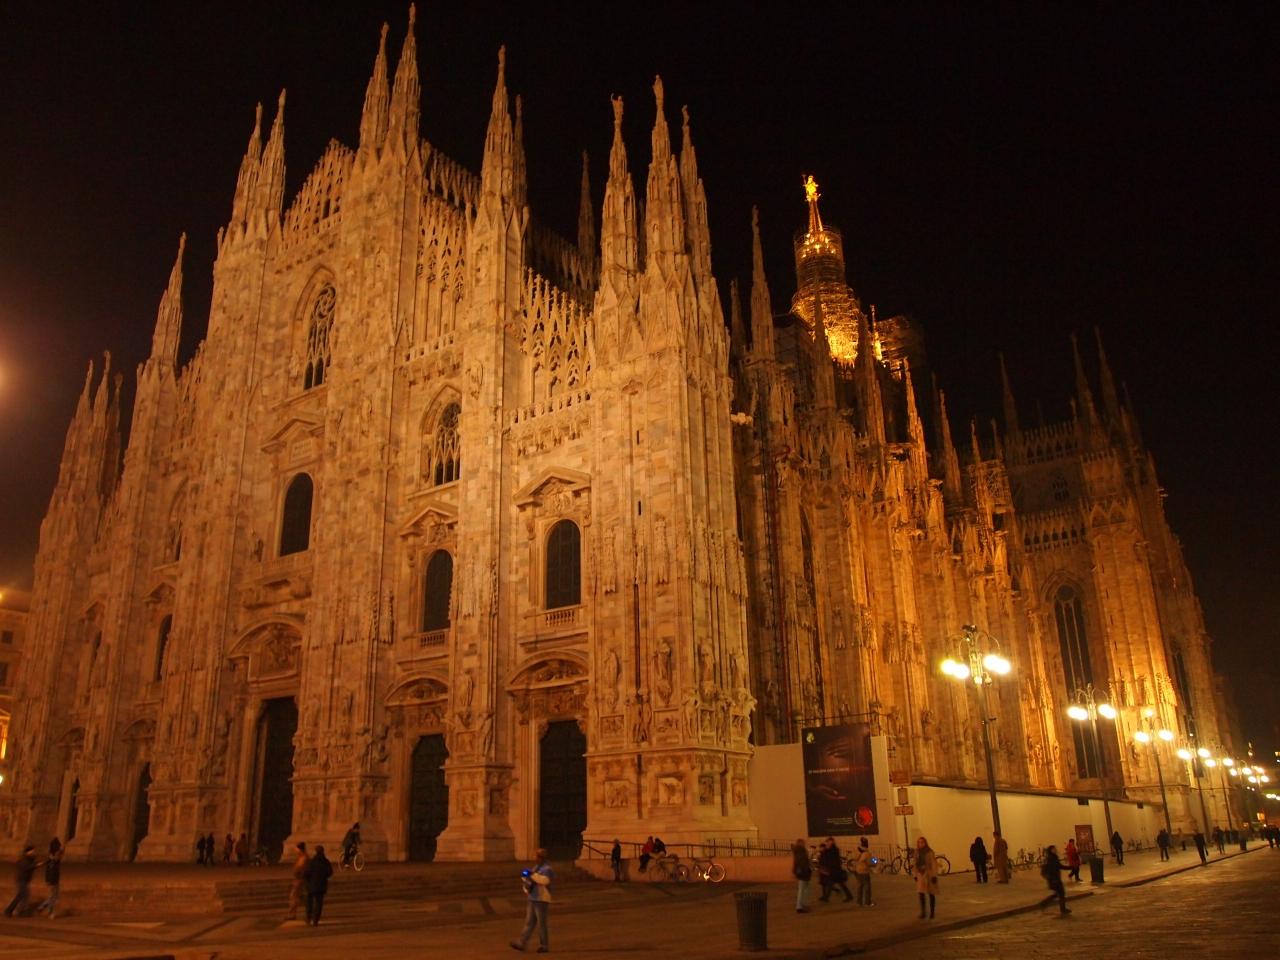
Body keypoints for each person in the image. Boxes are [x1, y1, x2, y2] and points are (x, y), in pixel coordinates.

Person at [509, 847, 553, 953]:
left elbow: (545, 881)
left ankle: (544, 945)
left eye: (537, 856)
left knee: (541, 924)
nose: (535, 858)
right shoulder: (536, 868)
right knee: (529, 922)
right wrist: (525, 881)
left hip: (541, 899)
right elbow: (530, 880)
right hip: (532, 898)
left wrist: (531, 874)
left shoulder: (547, 869)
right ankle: (522, 943)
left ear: (542, 857)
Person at [1037, 844, 1071, 916]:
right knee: (1061, 894)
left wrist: (1070, 867)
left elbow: (1059, 866)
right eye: (1054, 849)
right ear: (1051, 850)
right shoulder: (1050, 859)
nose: (1055, 850)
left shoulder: (1054, 858)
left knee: (1058, 894)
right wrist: (1051, 878)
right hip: (1054, 879)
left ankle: (1044, 903)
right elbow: (1049, 870)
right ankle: (1062, 909)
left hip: (1055, 879)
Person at [5, 844, 38, 917]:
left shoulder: (30, 859)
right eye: (32, 851)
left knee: (20, 895)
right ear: (27, 852)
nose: (33, 852)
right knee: (25, 895)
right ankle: (21, 911)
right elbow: (27, 867)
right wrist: (35, 865)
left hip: (24, 880)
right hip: (21, 880)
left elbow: (31, 866)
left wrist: (36, 864)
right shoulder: (24, 859)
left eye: (34, 851)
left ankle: (9, 910)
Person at [304, 844, 333, 926]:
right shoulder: (326, 861)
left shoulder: (312, 861)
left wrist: (307, 880)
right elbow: (330, 872)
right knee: (318, 904)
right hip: (321, 886)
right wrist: (323, 876)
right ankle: (315, 920)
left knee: (309, 903)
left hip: (311, 885)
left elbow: (307, 873)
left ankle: (308, 918)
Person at [817, 837, 853, 902]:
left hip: (835, 870)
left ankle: (826, 897)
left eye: (828, 842)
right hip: (834, 870)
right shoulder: (830, 849)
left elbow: (832, 860)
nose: (827, 843)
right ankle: (849, 896)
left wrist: (826, 850)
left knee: (835, 884)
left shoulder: (834, 849)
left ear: (832, 842)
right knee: (838, 884)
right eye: (827, 842)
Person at [36, 838, 62, 918]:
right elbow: (50, 872)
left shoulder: (54, 861)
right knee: (53, 897)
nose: (59, 855)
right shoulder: (52, 862)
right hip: (52, 881)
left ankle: (42, 907)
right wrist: (50, 881)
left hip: (55, 880)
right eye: (58, 853)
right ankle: (50, 912)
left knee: (54, 896)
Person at [913, 836, 938, 919]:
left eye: (922, 842)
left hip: (929, 874)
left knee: (931, 893)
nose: (920, 844)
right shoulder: (917, 852)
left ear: (925, 843)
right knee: (921, 893)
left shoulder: (929, 852)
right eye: (919, 842)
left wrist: (934, 875)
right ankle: (923, 912)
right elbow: (915, 864)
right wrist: (915, 875)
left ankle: (932, 912)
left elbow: (933, 863)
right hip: (920, 874)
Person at [286, 842, 309, 920]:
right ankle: (309, 911)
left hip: (299, 880)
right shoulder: (302, 857)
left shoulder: (304, 858)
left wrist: (297, 874)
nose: (296, 850)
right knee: (300, 897)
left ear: (300, 849)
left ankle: (292, 914)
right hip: (299, 880)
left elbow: (300, 869)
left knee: (293, 897)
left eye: (296, 849)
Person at [791, 838, 812, 913]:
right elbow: (802, 862)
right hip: (803, 873)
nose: (804, 844)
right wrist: (806, 870)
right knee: (802, 889)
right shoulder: (800, 851)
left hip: (802, 872)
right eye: (803, 843)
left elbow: (798, 862)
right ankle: (799, 906)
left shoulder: (798, 851)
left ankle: (803, 904)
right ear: (800, 843)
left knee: (804, 889)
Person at [851, 837, 874, 906]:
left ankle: (859, 902)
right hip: (864, 871)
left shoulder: (858, 851)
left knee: (860, 886)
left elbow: (854, 858)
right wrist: (875, 860)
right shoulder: (867, 853)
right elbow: (871, 863)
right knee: (867, 887)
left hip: (858, 870)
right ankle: (867, 902)